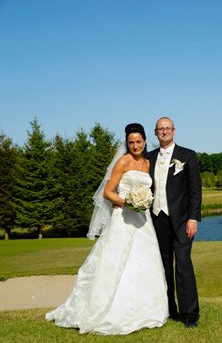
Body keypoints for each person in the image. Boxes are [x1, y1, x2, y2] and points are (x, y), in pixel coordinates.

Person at [46, 123, 168, 335]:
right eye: (131, 142)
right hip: (123, 218)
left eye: (139, 141)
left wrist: (143, 203)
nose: (135, 146)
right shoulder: (123, 161)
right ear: (126, 143)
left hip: (143, 221)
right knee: (116, 262)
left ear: (145, 141)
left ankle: (145, 311)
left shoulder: (148, 163)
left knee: (143, 262)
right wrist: (126, 202)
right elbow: (108, 192)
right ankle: (111, 311)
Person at [147, 116, 202, 329]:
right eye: (161, 129)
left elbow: (195, 191)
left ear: (174, 130)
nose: (164, 131)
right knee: (163, 267)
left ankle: (190, 315)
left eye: (168, 128)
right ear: (155, 132)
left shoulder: (187, 156)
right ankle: (168, 309)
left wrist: (193, 218)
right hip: (156, 220)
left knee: (183, 265)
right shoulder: (148, 157)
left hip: (182, 221)